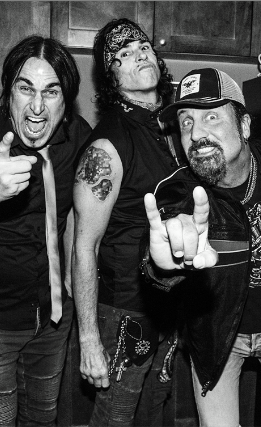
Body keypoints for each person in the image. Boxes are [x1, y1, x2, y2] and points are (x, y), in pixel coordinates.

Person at [143, 67, 261, 427]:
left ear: (244, 126)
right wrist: (163, 264)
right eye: (186, 122)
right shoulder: (178, 194)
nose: (196, 134)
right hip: (217, 339)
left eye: (211, 117)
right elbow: (159, 245)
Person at [72, 18, 185, 426]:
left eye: (143, 47)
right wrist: (89, 338)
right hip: (124, 310)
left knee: (153, 413)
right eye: (123, 54)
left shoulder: (174, 127)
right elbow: (84, 246)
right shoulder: (107, 145)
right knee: (115, 418)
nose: (139, 55)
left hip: (170, 303)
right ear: (111, 76)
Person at [0, 35, 91, 426]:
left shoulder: (77, 137)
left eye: (51, 91)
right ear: (8, 92)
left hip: (52, 320)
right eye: (25, 88)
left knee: (43, 418)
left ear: (66, 102)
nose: (36, 107)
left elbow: (79, 214)